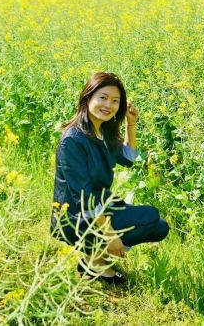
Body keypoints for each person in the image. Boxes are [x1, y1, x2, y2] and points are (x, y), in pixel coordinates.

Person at [51, 71, 169, 285]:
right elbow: (83, 197)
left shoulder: (102, 131)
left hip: (100, 207)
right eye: (103, 98)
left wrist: (131, 124)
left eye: (115, 101)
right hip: (75, 217)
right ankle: (95, 263)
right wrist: (110, 235)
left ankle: (94, 259)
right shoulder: (73, 141)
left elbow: (129, 158)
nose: (108, 105)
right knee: (150, 215)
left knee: (160, 227)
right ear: (88, 98)